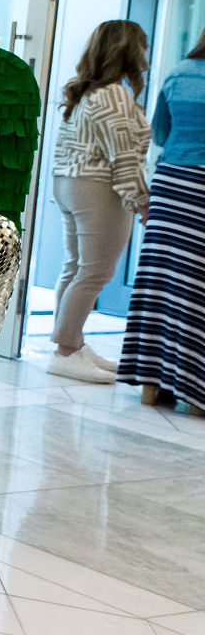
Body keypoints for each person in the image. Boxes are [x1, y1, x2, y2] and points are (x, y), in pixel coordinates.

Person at [46, 20, 151, 384]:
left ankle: (71, 345)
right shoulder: (114, 95)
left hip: (69, 182)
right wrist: (143, 202)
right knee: (94, 273)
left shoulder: (86, 92)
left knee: (75, 268)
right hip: (97, 187)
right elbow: (124, 158)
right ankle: (65, 350)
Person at [118, 25, 205, 409]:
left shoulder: (180, 70)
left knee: (161, 282)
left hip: (171, 185)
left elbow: (161, 135)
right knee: (198, 289)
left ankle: (152, 384)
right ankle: (196, 389)